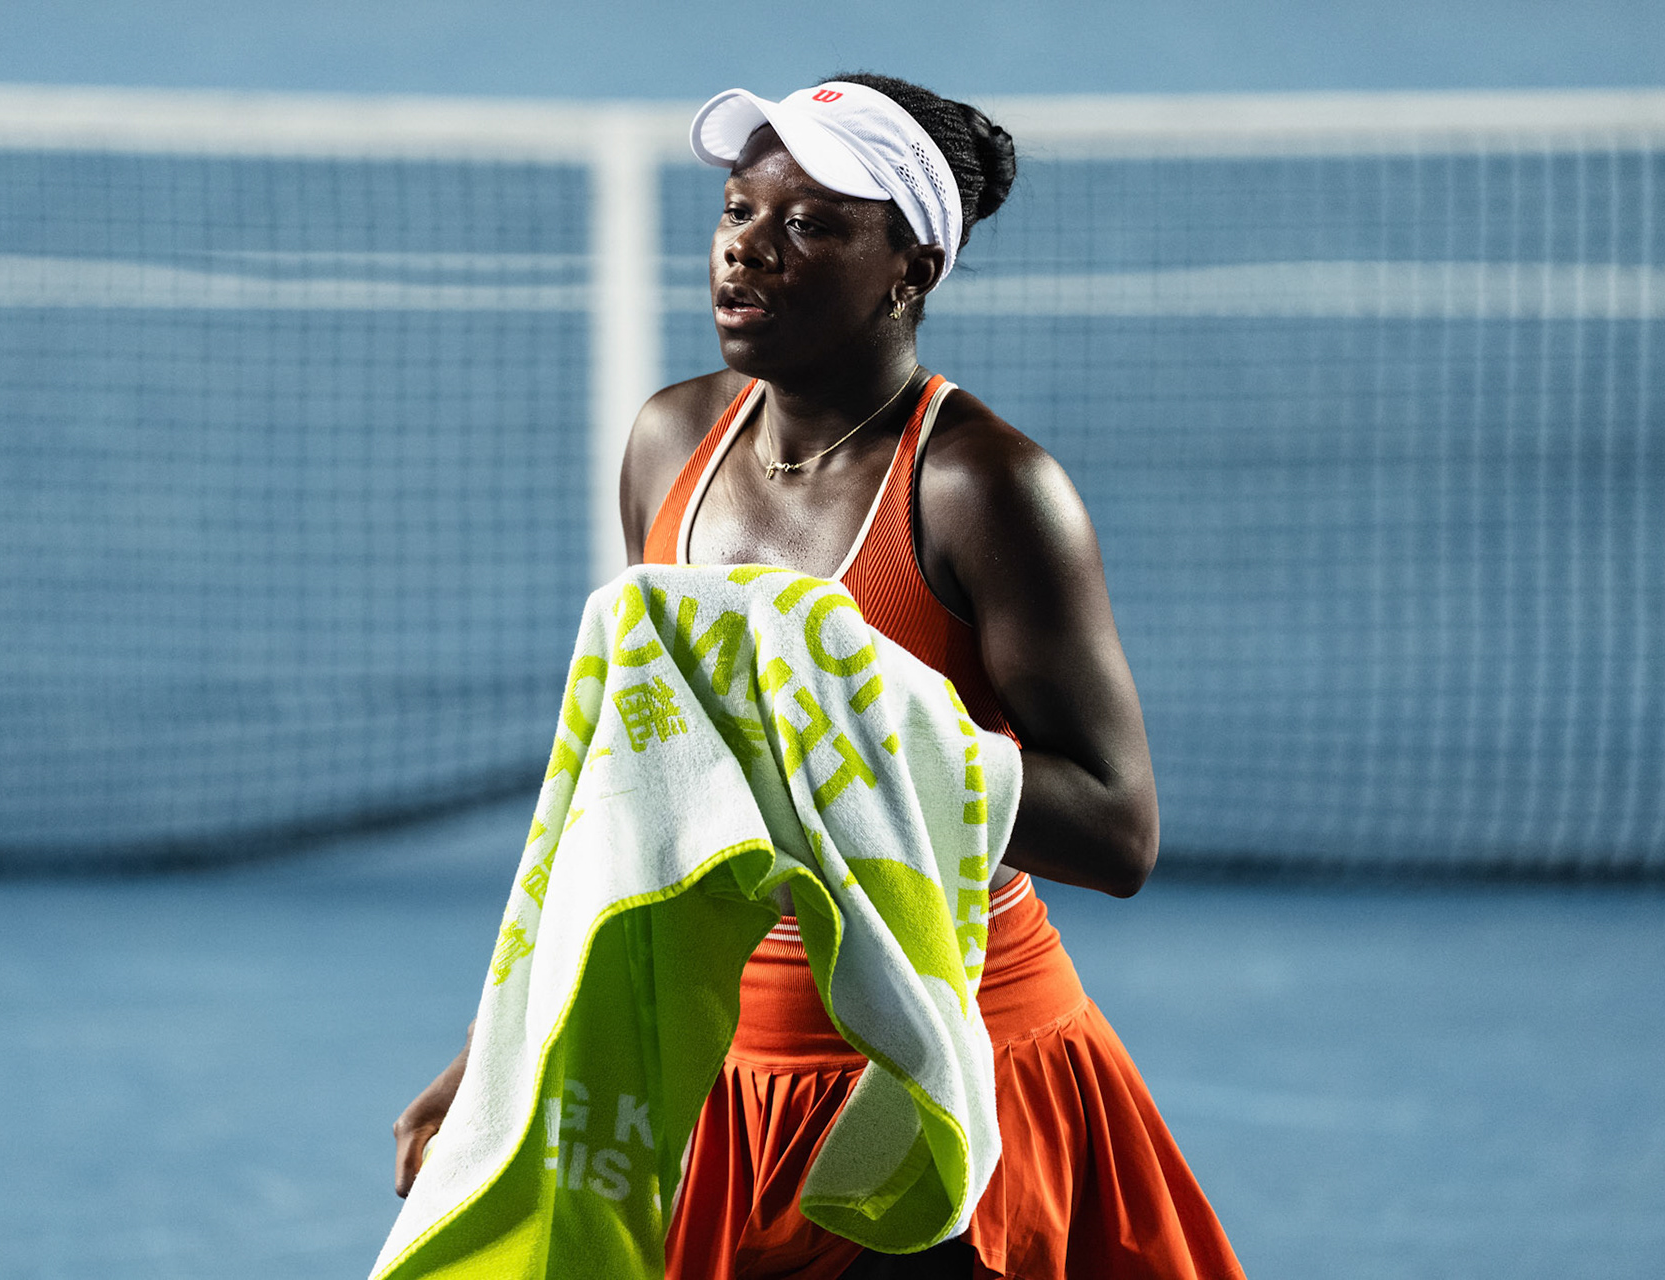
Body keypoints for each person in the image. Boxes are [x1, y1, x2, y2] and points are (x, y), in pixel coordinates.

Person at [396, 73, 1245, 1280]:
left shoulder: (985, 489)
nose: (747, 249)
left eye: (809, 225)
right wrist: (500, 1048)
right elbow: (625, 792)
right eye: (739, 211)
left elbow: (1119, 830)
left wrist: (876, 729)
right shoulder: (669, 442)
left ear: (912, 269)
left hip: (946, 1077)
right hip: (723, 1074)